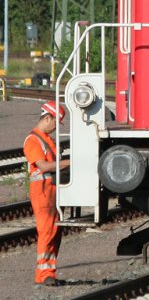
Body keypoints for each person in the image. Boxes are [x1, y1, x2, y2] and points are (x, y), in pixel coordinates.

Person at [23, 100, 70, 287]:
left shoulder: (46, 139)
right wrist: (69, 162)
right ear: (48, 117)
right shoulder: (33, 140)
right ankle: (42, 274)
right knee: (46, 232)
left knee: (55, 231)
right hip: (42, 191)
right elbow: (44, 166)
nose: (55, 127)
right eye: (55, 123)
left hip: (52, 190)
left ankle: (49, 272)